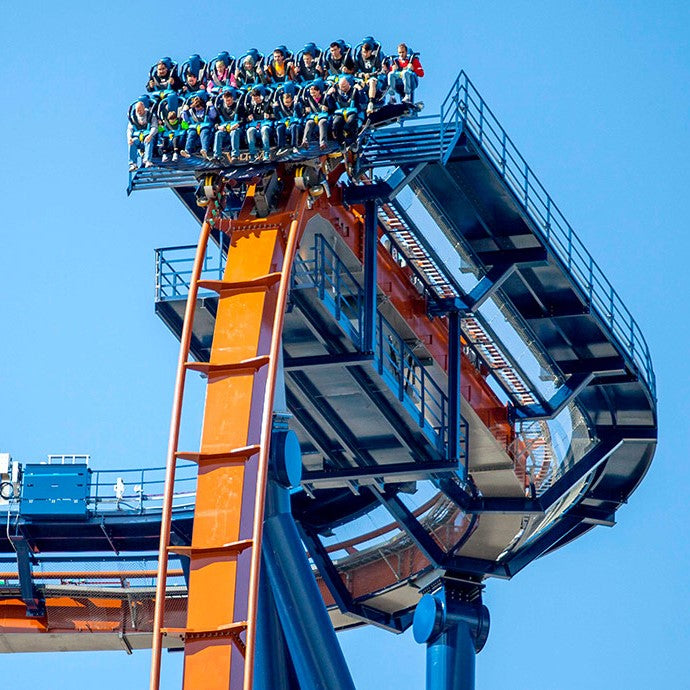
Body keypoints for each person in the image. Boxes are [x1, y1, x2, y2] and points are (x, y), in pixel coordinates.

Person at [329, 75, 367, 147]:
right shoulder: (336, 92)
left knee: (351, 122)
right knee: (336, 123)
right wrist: (328, 95)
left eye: (345, 86)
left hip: (354, 112)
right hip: (340, 113)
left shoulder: (354, 90)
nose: (343, 88)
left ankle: (353, 140)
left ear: (349, 84)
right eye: (341, 86)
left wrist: (360, 90)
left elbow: (363, 101)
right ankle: (341, 142)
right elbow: (330, 106)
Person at [353, 37, 388, 115]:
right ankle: (357, 104)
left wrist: (371, 74)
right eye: (363, 52)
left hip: (376, 79)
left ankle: (371, 103)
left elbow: (382, 70)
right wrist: (360, 74)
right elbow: (356, 70)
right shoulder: (359, 56)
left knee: (372, 81)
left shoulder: (378, 56)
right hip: (363, 79)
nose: (364, 54)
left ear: (371, 51)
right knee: (356, 85)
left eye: (366, 52)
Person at [213, 87, 246, 162]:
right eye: (226, 101)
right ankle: (217, 156)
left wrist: (238, 124)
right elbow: (216, 123)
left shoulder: (238, 107)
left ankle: (235, 155)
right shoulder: (220, 108)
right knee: (218, 134)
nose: (228, 102)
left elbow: (243, 119)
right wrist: (218, 127)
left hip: (236, 129)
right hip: (225, 129)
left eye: (229, 100)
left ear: (232, 98)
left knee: (234, 132)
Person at [182, 91, 216, 158]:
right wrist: (184, 111)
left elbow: (213, 116)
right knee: (191, 133)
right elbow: (186, 120)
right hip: (195, 126)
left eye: (199, 107)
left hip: (206, 127)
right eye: (196, 107)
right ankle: (187, 151)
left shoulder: (207, 109)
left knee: (204, 132)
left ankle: (204, 150)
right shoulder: (192, 110)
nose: (197, 108)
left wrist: (211, 107)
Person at [127, 96, 157, 171]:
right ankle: (133, 164)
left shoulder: (150, 114)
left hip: (147, 135)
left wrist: (150, 135)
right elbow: (129, 129)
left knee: (148, 140)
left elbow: (154, 127)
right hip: (138, 137)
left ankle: (147, 160)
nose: (139, 112)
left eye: (140, 110)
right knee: (132, 142)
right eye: (137, 110)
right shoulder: (133, 116)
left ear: (144, 108)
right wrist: (129, 138)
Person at [301, 79, 331, 150]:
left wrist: (327, 108)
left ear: (318, 91)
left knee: (322, 122)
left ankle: (323, 143)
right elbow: (303, 110)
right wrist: (306, 110)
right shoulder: (309, 99)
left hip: (323, 116)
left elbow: (332, 107)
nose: (313, 95)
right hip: (313, 116)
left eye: (314, 93)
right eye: (311, 93)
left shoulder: (325, 97)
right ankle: (305, 141)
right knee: (309, 123)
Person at [273, 83, 303, 154]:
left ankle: (294, 146)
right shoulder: (281, 106)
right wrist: (275, 108)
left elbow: (299, 115)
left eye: (289, 102)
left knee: (294, 126)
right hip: (284, 122)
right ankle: (281, 146)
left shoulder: (296, 105)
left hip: (295, 123)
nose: (287, 104)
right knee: (279, 128)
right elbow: (277, 117)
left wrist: (296, 105)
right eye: (286, 102)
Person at [245, 86, 273, 161]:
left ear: (260, 96)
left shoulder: (267, 103)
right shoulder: (251, 106)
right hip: (255, 124)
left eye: (257, 98)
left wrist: (269, 116)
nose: (256, 100)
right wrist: (248, 118)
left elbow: (276, 115)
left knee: (264, 130)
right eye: (254, 99)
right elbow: (244, 119)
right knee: (249, 131)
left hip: (266, 124)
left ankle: (266, 153)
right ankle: (252, 155)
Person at [157, 93, 185, 162]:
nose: (172, 121)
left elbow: (185, 127)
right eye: (170, 120)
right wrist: (160, 126)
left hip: (177, 137)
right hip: (168, 137)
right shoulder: (166, 123)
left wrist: (184, 122)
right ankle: (164, 154)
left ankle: (175, 153)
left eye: (173, 119)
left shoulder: (179, 122)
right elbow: (161, 130)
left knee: (175, 139)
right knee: (164, 139)